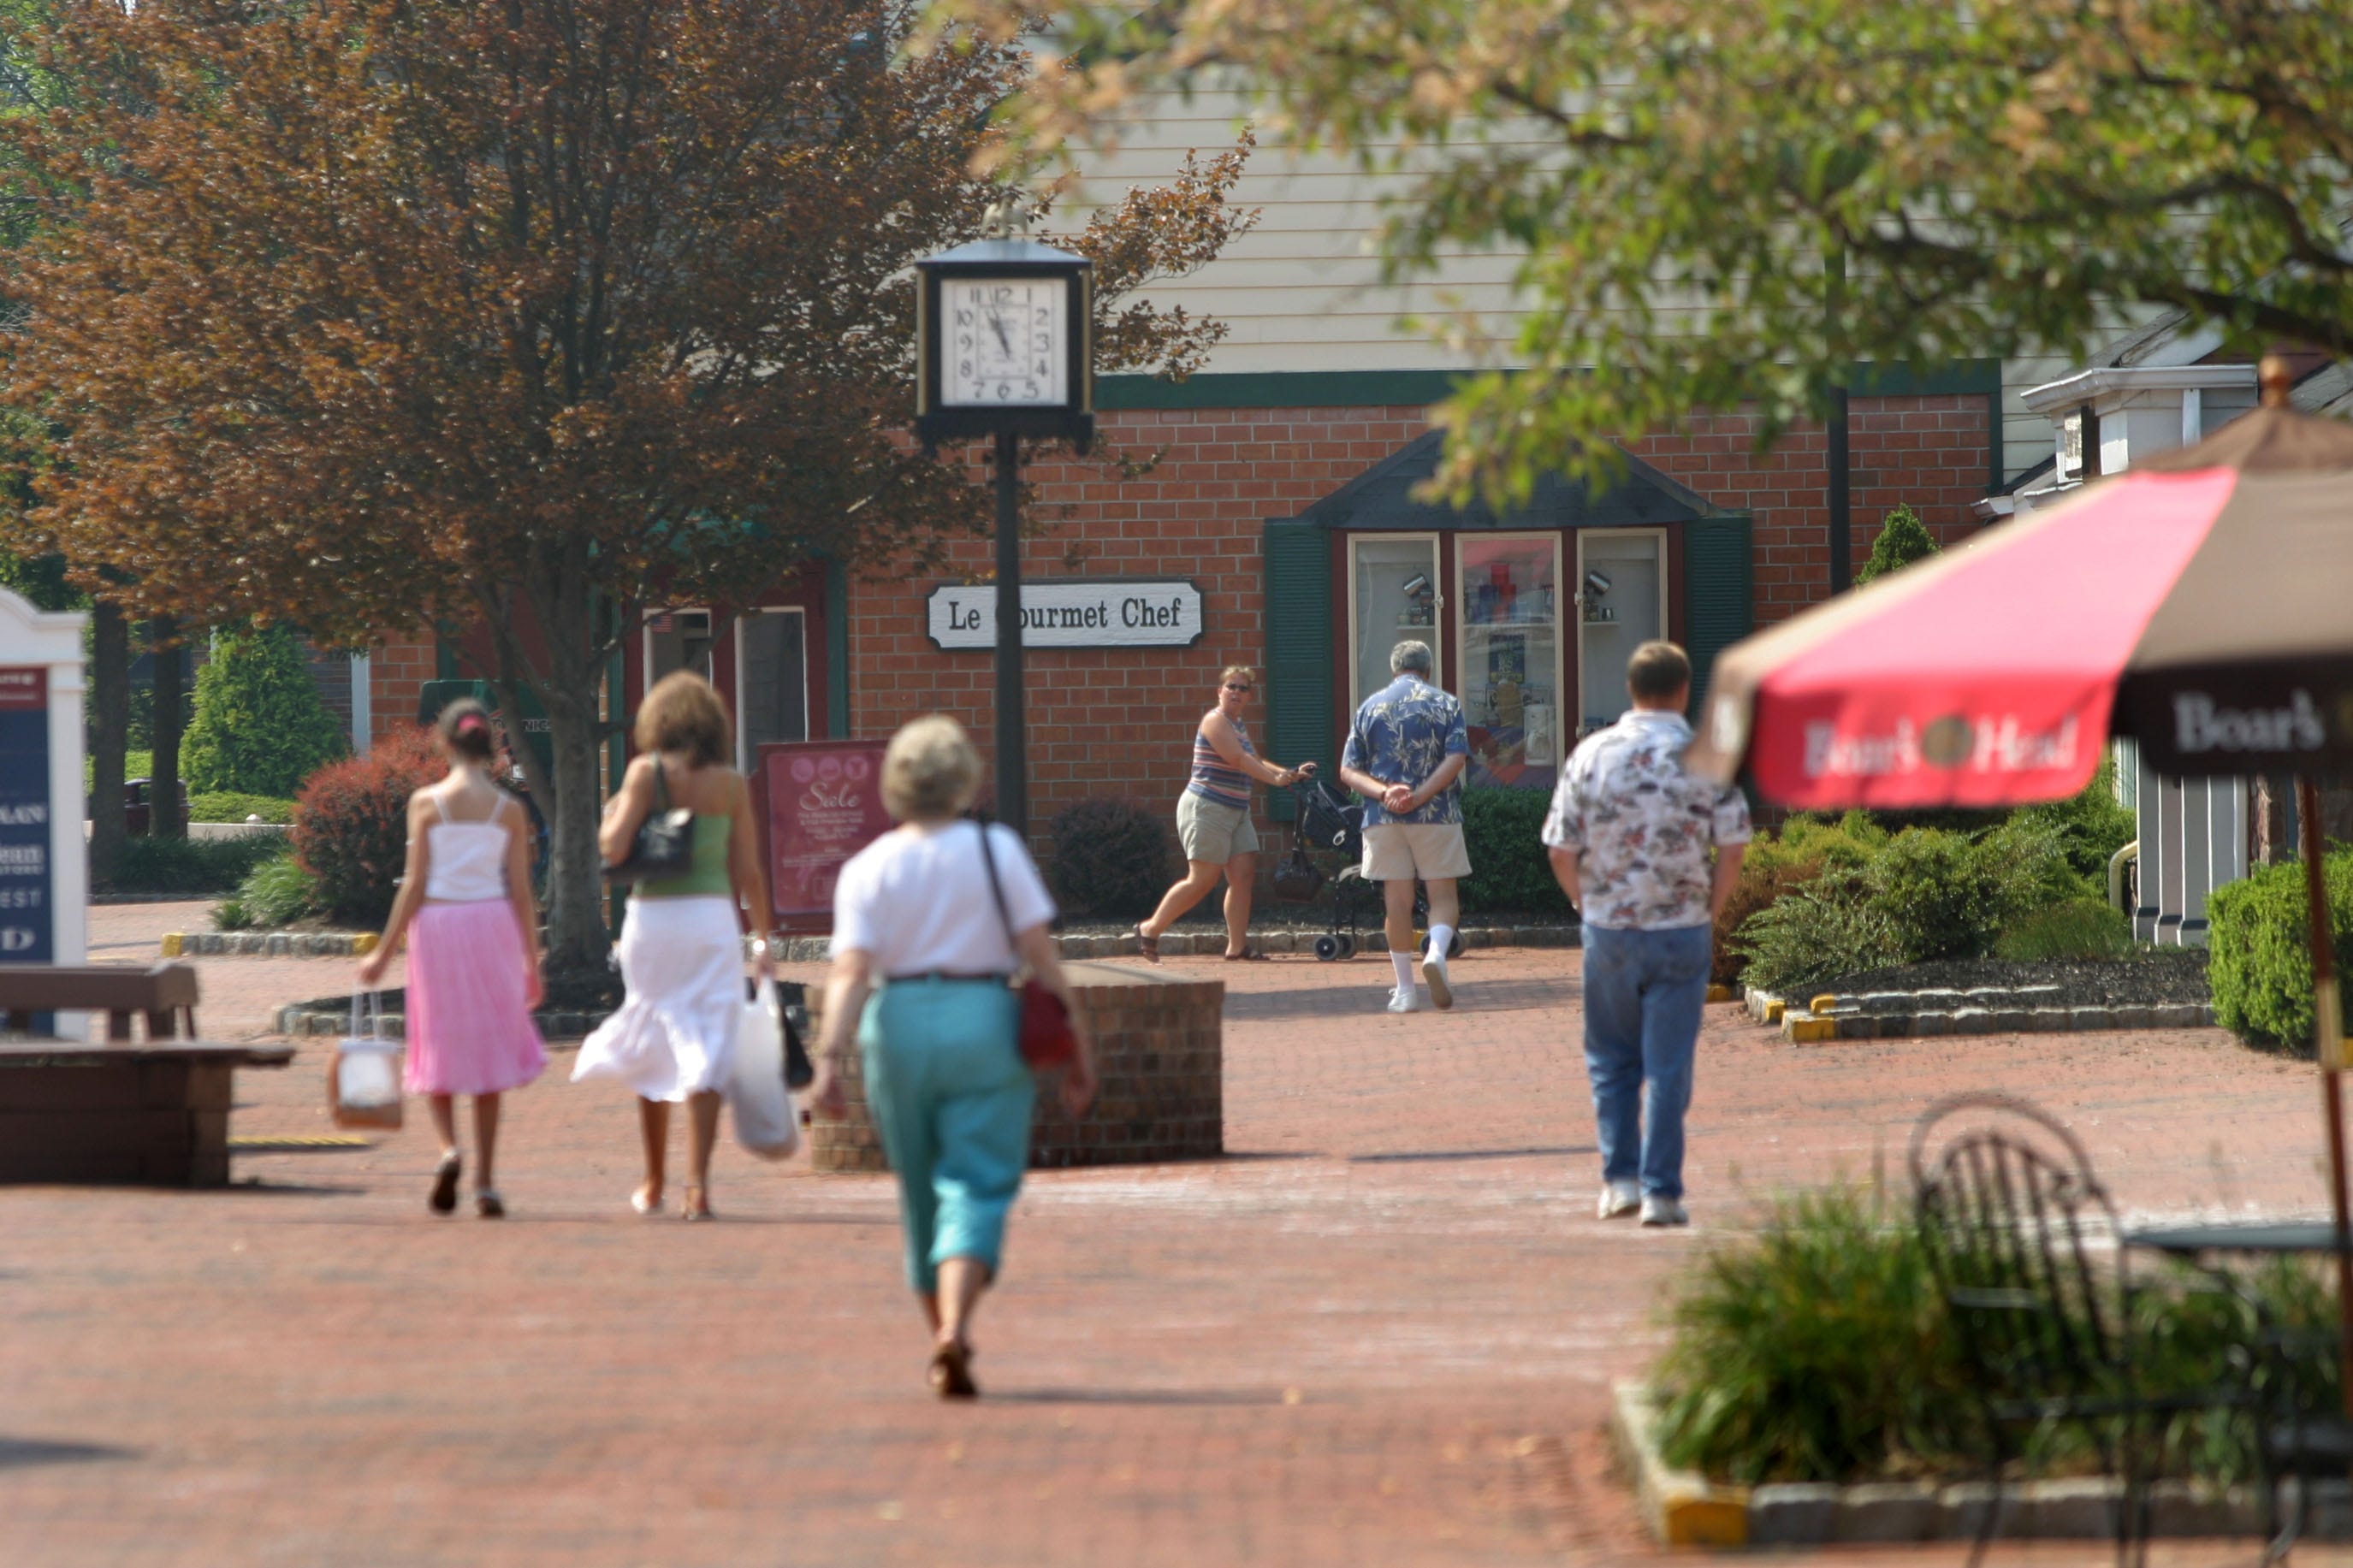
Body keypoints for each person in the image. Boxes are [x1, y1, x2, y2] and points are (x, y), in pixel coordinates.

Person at [809, 715, 1096, 1400]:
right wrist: (1079, 1043)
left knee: (917, 1189)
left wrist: (828, 1058)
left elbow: (849, 972)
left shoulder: (867, 866)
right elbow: (1041, 956)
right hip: (985, 1019)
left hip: (896, 1023)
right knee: (976, 1179)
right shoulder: (997, 849)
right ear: (963, 779)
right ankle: (955, 1327)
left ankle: (940, 1329)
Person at [1542, 641, 1750, 1228]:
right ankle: (1662, 1190)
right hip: (1681, 927)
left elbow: (1559, 845)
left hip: (1609, 927)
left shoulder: (1592, 753)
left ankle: (1619, 1181)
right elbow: (1733, 845)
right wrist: (1711, 906)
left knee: (1610, 1060)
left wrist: (1583, 900)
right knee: (1668, 1064)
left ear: (1631, 688)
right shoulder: (1707, 753)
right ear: (1683, 690)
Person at [573, 670, 777, 1222]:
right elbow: (749, 871)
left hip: (654, 921)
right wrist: (761, 936)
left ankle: (654, 1177)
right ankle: (699, 1184)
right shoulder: (732, 784)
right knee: (708, 1040)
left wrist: (617, 809)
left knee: (655, 1035)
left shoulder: (647, 772)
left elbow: (613, 849)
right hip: (711, 921)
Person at [355, 699, 548, 1218]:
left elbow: (414, 884)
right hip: (490, 926)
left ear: (443, 742)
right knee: (489, 1053)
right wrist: (533, 959)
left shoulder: (426, 803)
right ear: (492, 745)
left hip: (437, 928)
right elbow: (522, 891)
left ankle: (449, 1149)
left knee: (435, 1042)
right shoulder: (509, 808)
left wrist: (382, 949)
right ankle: (485, 1181)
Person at [1134, 665, 1319, 962]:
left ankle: (1237, 946)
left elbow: (1255, 758)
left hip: (1236, 810)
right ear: (1219, 691)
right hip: (1207, 808)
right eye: (1231, 686)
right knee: (1202, 880)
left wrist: (1289, 773)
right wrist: (1274, 780)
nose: (1236, 692)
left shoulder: (1238, 725)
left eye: (1243, 688)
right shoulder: (1214, 721)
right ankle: (1150, 928)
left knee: (1243, 876)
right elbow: (1237, 759)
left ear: (1249, 696)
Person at [1337, 640, 1472, 1014]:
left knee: (1396, 903)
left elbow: (1348, 770)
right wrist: (1421, 795)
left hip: (1383, 819)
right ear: (1428, 669)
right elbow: (1457, 756)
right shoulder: (1446, 703)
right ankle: (1437, 952)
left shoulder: (1370, 706)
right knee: (1443, 897)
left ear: (1394, 668)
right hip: (1437, 815)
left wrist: (1386, 794)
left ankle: (1405, 991)